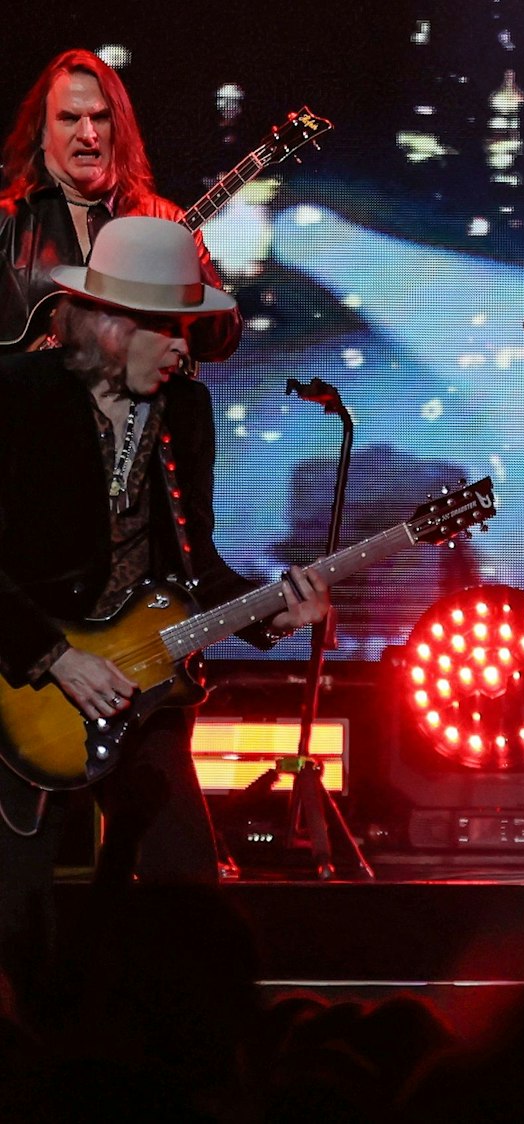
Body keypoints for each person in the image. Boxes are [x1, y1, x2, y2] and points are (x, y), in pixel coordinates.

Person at [0, 216, 330, 1015]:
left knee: (190, 892)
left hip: (145, 692)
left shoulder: (184, 411)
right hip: (26, 691)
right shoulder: (19, 398)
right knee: (18, 916)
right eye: (171, 328)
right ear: (113, 325)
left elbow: (197, 566)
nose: (186, 348)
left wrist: (268, 617)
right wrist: (54, 658)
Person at [2, 48, 240, 360]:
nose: (87, 134)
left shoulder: (165, 219)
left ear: (120, 128)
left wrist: (191, 285)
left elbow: (218, 344)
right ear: (42, 134)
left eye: (101, 118)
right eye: (69, 119)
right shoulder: (7, 222)